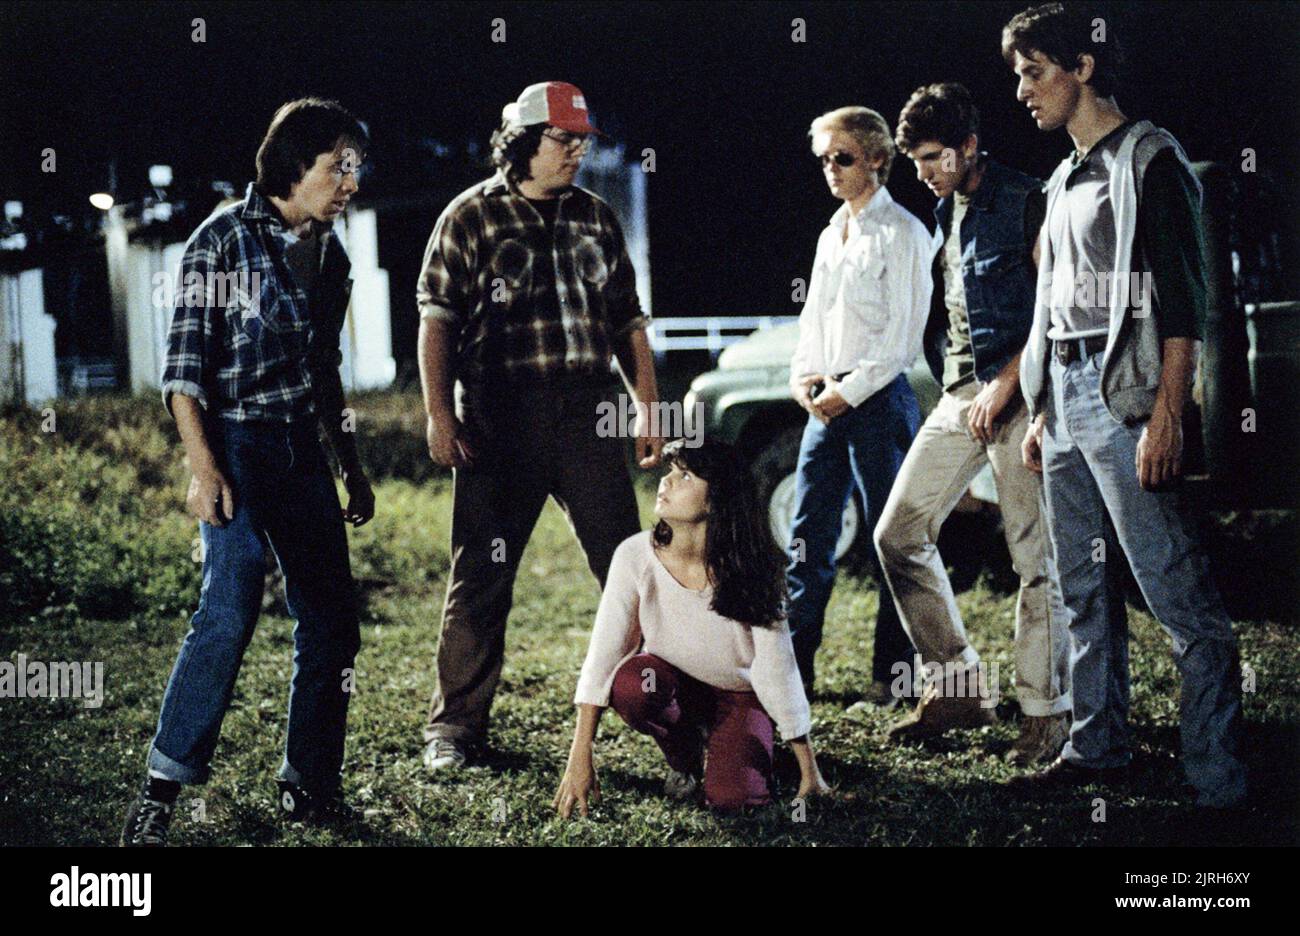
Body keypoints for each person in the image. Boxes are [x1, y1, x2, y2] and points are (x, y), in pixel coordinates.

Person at [1003, 3, 1246, 807]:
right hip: (1065, 400)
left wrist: (1171, 415)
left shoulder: (1149, 158)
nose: (1023, 91)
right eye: (1018, 75)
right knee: (1082, 586)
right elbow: (1052, 306)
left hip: (1127, 399)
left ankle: (1217, 778)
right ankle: (1098, 745)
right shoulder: (1062, 177)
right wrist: (1039, 407)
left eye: (1035, 72)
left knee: (1175, 590)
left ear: (1084, 67)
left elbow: (1185, 301)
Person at [121, 98, 374, 846]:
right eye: (339, 166)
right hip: (232, 443)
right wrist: (203, 469)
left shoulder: (331, 254)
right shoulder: (220, 242)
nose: (351, 181)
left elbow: (322, 370)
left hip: (299, 449)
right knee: (229, 606)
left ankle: (309, 783)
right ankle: (162, 786)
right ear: (294, 165)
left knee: (331, 621)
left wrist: (349, 467)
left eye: (356, 167)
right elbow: (183, 373)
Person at [416, 81, 663, 771]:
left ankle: (675, 710)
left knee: (629, 567)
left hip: (588, 413)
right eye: (563, 140)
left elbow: (626, 321)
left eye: (583, 140)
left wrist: (647, 407)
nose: (577, 152)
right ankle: (453, 731)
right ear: (523, 141)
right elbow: (437, 321)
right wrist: (440, 415)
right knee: (481, 577)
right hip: (500, 417)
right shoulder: (469, 217)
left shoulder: (596, 217)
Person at [876, 82, 1072, 764]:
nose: (925, 172)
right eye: (916, 162)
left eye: (935, 157)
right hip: (960, 396)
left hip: (1022, 397)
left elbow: (1055, 310)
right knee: (898, 533)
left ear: (968, 145)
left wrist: (1010, 386)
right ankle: (957, 686)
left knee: (1034, 560)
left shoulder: (1029, 201)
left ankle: (1047, 713)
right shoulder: (944, 210)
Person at [555, 440, 829, 815]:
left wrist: (809, 771)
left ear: (716, 500)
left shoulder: (754, 566)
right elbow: (605, 654)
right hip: (674, 688)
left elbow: (778, 669)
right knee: (634, 685)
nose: (665, 482)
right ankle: (685, 760)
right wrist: (579, 757)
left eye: (683, 475)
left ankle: (746, 743)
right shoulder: (634, 555)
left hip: (739, 694)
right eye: (669, 471)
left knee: (733, 800)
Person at [786, 106, 933, 704]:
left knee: (889, 542)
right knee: (806, 537)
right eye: (823, 160)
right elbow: (813, 320)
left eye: (842, 157)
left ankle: (891, 677)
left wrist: (846, 392)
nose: (831, 170)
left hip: (875, 402)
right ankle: (794, 672)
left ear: (877, 157)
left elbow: (902, 339)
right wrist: (805, 380)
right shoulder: (830, 233)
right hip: (828, 403)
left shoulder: (905, 233)